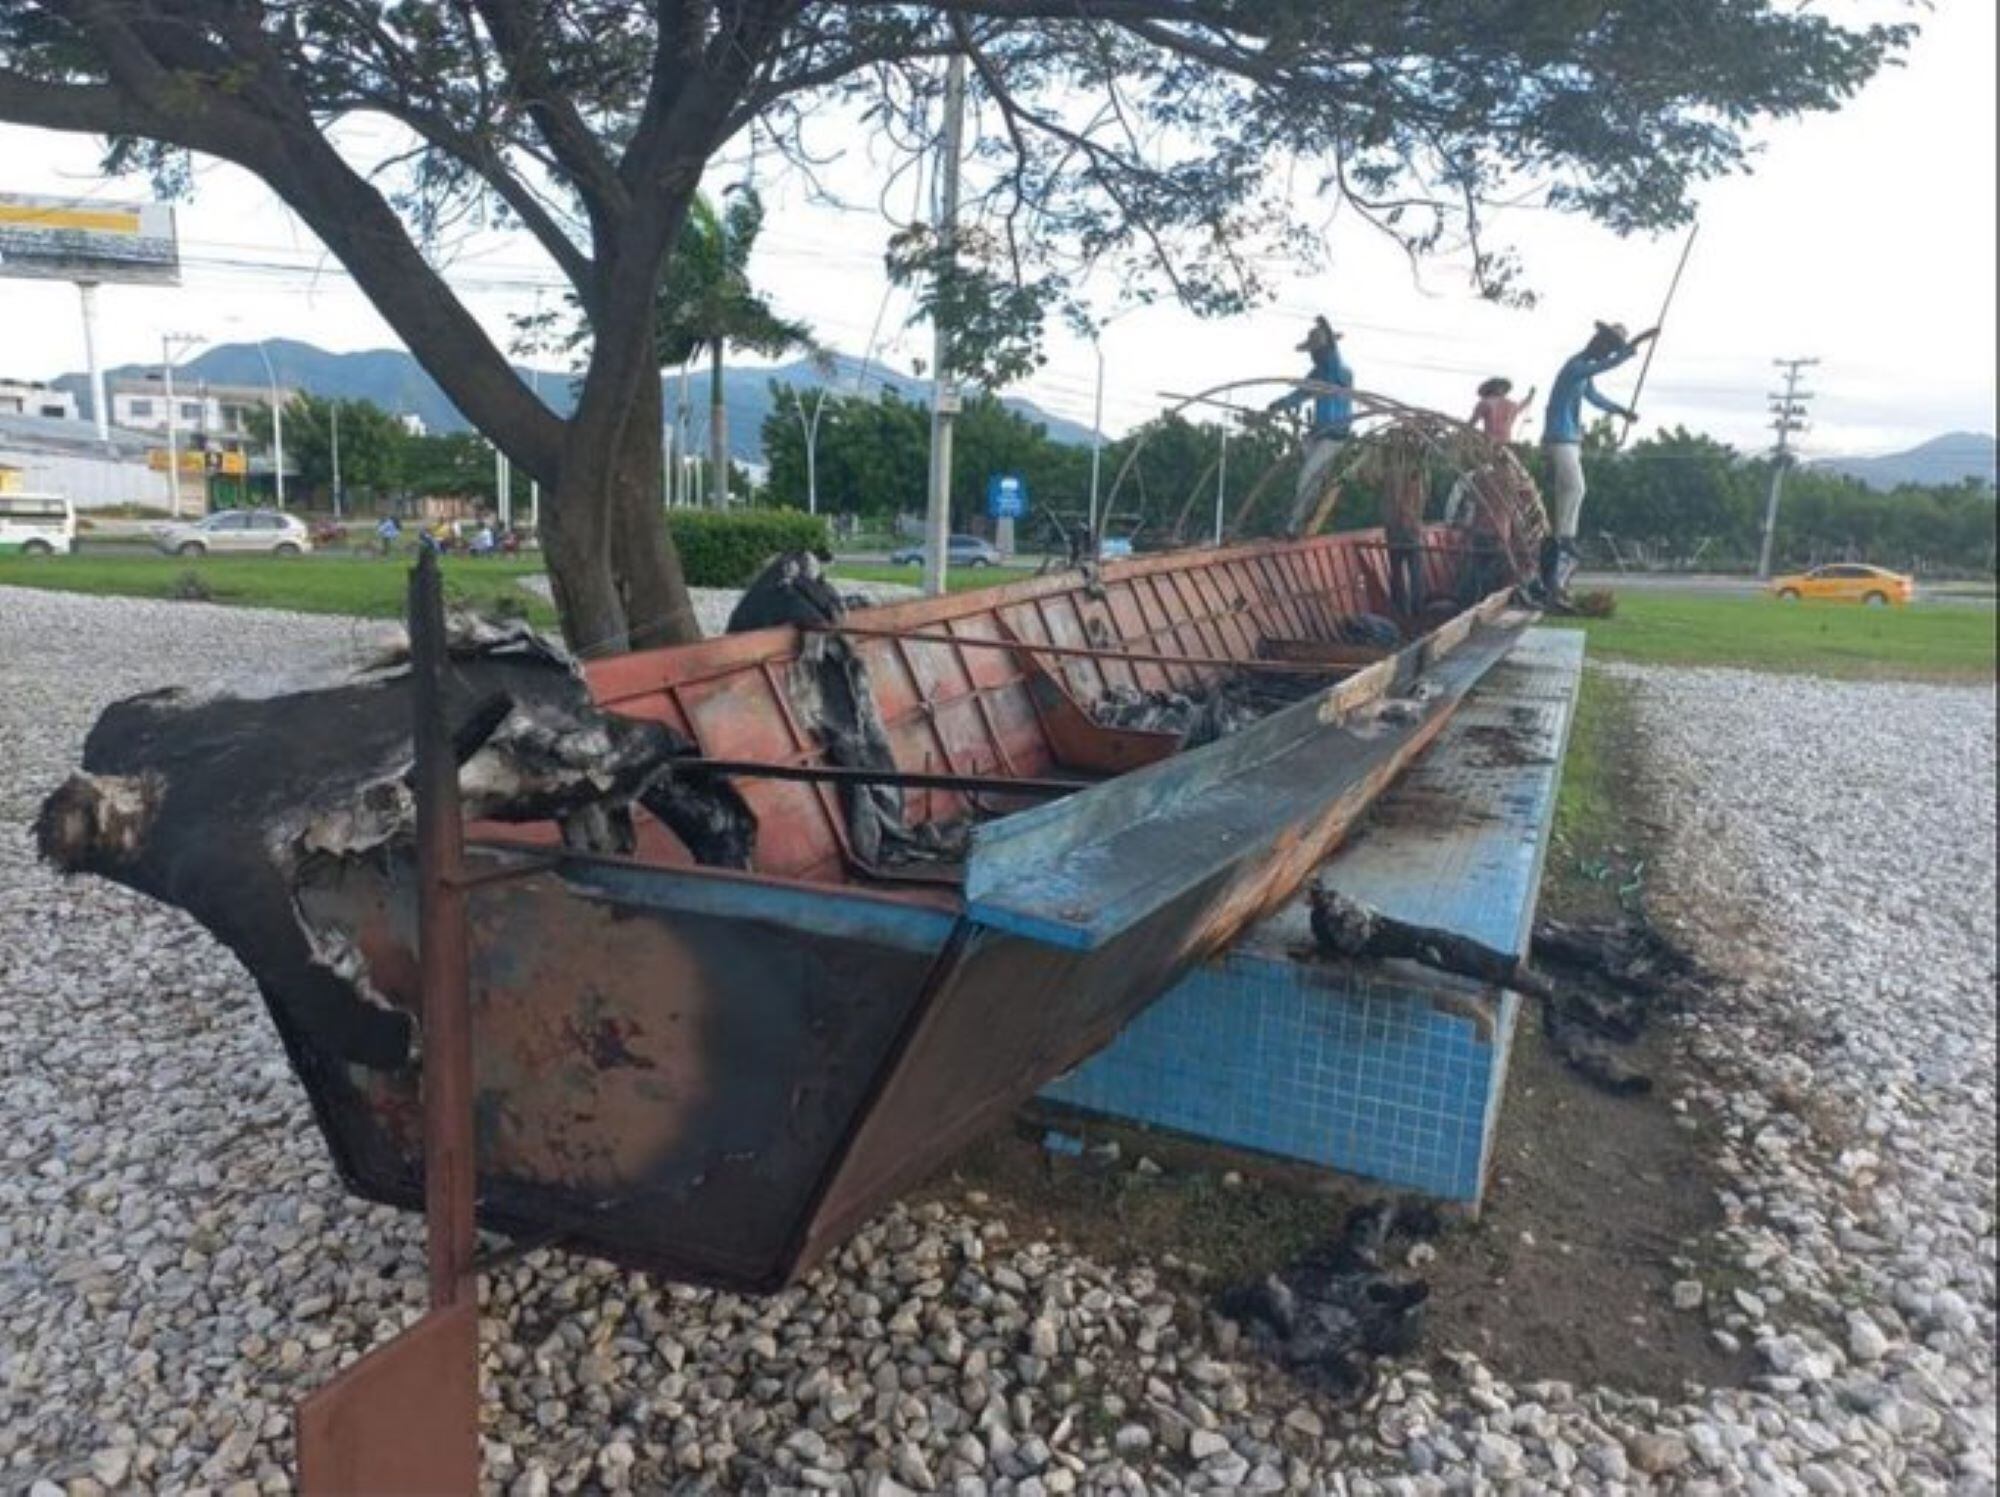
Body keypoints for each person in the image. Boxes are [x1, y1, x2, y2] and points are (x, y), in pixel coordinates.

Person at [1541, 322, 1655, 596]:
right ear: (1598, 342)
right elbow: (1606, 366)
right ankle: (1564, 537)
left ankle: (1564, 538)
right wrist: (1633, 346)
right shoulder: (1575, 367)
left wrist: (1620, 410)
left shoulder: (1584, 372)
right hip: (1559, 437)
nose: (1607, 354)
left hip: (1571, 439)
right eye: (1608, 348)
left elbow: (1594, 396)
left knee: (1570, 490)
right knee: (1575, 487)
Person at [1268, 316, 1354, 535]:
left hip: (1335, 437)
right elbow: (1300, 394)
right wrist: (1280, 404)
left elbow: (1334, 356)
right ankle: (1306, 510)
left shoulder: (1340, 373)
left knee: (1308, 475)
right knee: (1308, 473)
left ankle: (1294, 525)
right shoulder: (1317, 374)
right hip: (1318, 434)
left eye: (1317, 352)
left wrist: (1327, 329)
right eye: (1313, 353)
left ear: (1324, 351)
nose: (1314, 357)